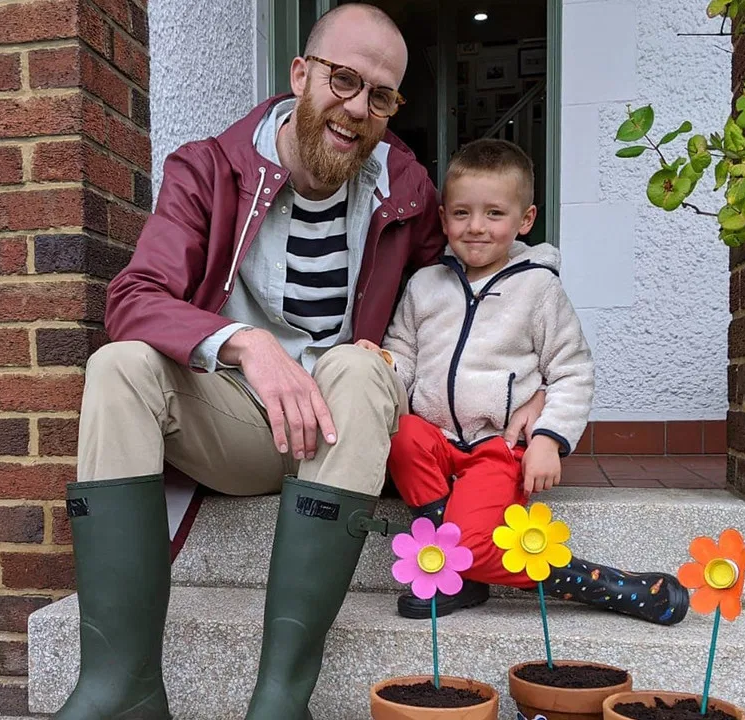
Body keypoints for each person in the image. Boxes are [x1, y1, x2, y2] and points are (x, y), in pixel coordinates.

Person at [57, 6, 548, 720]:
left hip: (345, 433)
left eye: (381, 95)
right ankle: (122, 688)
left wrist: (533, 389)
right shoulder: (210, 170)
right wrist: (245, 344)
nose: (358, 108)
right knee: (119, 366)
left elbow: (466, 293)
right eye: (343, 80)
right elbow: (134, 298)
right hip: (237, 422)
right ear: (300, 74)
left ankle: (281, 699)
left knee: (358, 366)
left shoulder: (406, 190)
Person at [358, 139, 689, 626]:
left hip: (497, 447)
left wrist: (549, 440)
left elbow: (572, 369)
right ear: (443, 218)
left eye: (494, 213)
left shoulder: (538, 288)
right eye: (461, 213)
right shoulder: (425, 286)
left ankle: (605, 585)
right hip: (436, 441)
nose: (476, 227)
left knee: (474, 545)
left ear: (525, 219)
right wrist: (384, 363)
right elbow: (405, 354)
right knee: (403, 436)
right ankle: (455, 571)